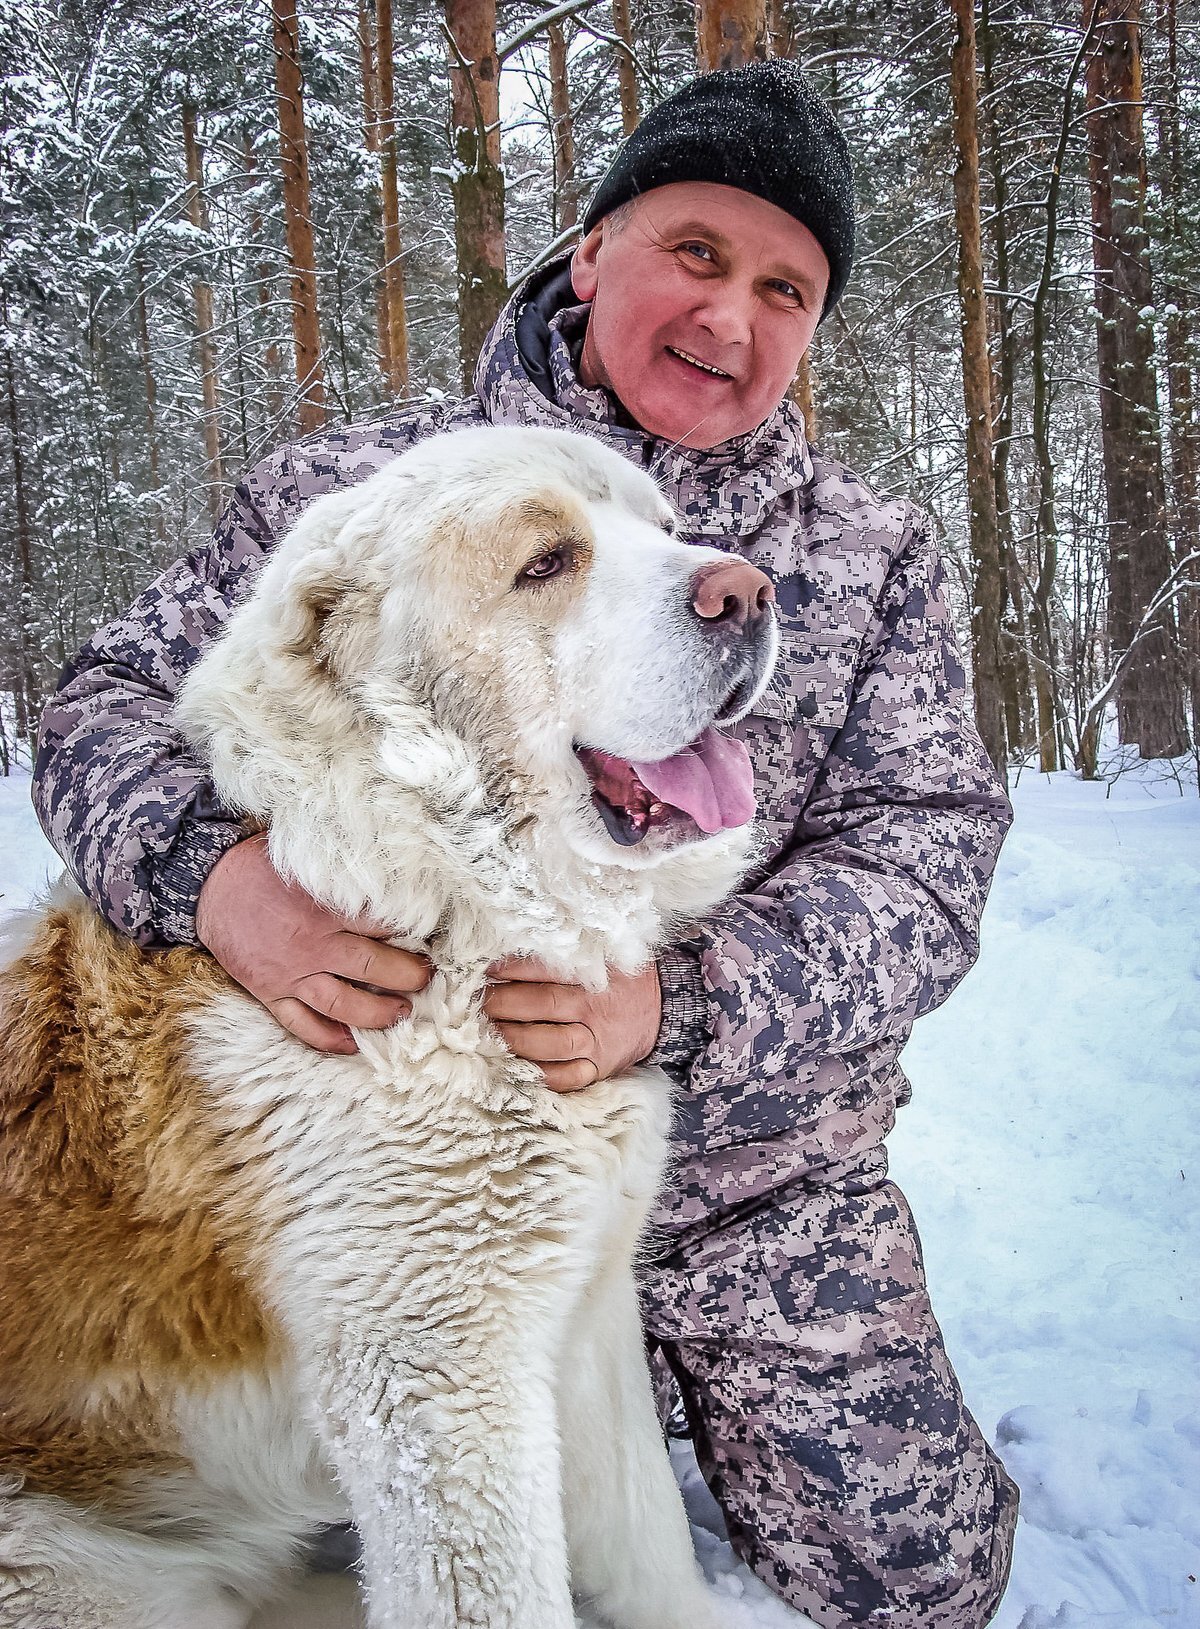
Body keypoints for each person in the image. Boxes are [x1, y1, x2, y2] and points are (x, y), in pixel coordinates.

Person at [32, 60, 1018, 1629]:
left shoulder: (872, 555)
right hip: (424, 1121)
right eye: (696, 251)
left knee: (922, 1577)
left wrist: (679, 1011)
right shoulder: (356, 494)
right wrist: (212, 885)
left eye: (787, 286)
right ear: (591, 250)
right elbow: (104, 704)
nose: (733, 316)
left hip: (754, 1175)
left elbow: (928, 858)